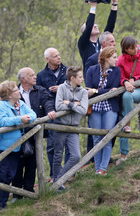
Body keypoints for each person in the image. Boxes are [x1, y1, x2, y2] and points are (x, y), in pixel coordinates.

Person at [13, 68, 55, 193]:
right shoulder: (14, 92)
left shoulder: (40, 90)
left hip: (36, 130)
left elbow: (48, 100)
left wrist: (50, 110)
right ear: (23, 79)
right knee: (18, 163)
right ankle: (17, 193)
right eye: (31, 75)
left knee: (33, 162)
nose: (35, 77)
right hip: (17, 132)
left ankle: (29, 190)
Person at [84, 47, 121, 175]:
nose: (117, 59)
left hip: (109, 107)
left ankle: (103, 168)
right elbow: (88, 90)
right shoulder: (91, 70)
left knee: (107, 137)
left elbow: (114, 91)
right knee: (96, 138)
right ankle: (97, 168)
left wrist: (95, 91)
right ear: (106, 58)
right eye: (114, 57)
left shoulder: (117, 71)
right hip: (94, 108)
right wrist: (95, 91)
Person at [0, 80, 36, 208]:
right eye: (16, 90)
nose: (19, 91)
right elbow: (2, 121)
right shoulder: (1, 106)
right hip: (5, 148)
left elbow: (33, 114)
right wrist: (19, 119)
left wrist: (27, 118)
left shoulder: (20, 103)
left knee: (11, 175)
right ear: (9, 95)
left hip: (17, 147)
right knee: (3, 176)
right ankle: (1, 205)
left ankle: (3, 203)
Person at [52, 67, 88, 185]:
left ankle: (59, 179)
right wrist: (76, 105)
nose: (82, 79)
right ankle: (57, 183)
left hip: (74, 128)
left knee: (76, 156)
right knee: (58, 155)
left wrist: (70, 104)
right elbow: (58, 106)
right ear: (72, 78)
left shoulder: (83, 92)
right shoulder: (62, 88)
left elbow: (83, 110)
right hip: (60, 126)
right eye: (80, 77)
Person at [37, 48, 68, 178]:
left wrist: (61, 88)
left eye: (59, 55)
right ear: (47, 59)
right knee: (51, 145)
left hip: (66, 111)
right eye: (55, 56)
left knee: (68, 143)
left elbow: (76, 87)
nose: (59, 58)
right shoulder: (41, 75)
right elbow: (38, 93)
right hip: (50, 113)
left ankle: (68, 173)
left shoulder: (67, 71)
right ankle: (54, 175)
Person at [79, 0, 118, 67]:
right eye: (93, 25)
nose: (95, 25)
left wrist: (114, 3)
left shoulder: (101, 42)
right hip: (91, 76)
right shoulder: (84, 44)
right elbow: (89, 27)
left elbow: (110, 25)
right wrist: (93, 6)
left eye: (95, 24)